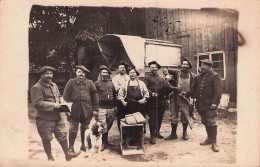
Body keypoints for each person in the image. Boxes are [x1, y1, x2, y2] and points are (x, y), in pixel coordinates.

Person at [31, 66, 81, 161]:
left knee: (62, 135)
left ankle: (68, 154)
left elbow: (59, 96)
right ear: (41, 75)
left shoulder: (54, 85)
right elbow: (37, 103)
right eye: (47, 74)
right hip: (44, 119)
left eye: (51, 74)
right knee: (47, 138)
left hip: (57, 116)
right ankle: (50, 157)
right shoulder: (36, 87)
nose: (49, 76)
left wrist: (62, 102)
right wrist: (54, 105)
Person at [186, 59, 222, 152]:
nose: (201, 67)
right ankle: (209, 139)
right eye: (201, 65)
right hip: (200, 105)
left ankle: (214, 142)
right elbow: (193, 90)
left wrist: (215, 103)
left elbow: (218, 92)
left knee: (212, 122)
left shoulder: (215, 76)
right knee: (205, 122)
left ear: (209, 67)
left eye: (204, 66)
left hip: (210, 105)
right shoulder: (198, 77)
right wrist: (186, 94)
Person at [63, 65, 99, 153]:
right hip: (74, 111)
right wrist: (67, 110)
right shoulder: (71, 82)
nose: (81, 74)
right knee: (73, 129)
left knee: (85, 129)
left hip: (86, 111)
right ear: (76, 73)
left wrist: (95, 109)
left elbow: (95, 97)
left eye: (83, 72)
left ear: (85, 74)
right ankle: (71, 147)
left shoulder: (90, 83)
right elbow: (65, 97)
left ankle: (84, 145)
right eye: (79, 72)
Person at [164, 57, 196, 141]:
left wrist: (189, 95)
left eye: (186, 64)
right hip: (175, 96)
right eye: (183, 64)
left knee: (185, 115)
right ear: (181, 65)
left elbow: (193, 88)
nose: (185, 65)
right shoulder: (176, 73)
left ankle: (184, 133)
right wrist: (167, 74)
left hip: (186, 98)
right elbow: (166, 70)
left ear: (189, 66)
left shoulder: (192, 75)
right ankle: (173, 134)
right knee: (174, 115)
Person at [144, 61, 167, 144]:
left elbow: (165, 88)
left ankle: (157, 132)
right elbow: (145, 88)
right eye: (152, 67)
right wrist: (151, 93)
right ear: (150, 68)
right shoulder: (147, 78)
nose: (154, 69)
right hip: (151, 101)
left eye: (155, 67)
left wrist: (166, 96)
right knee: (153, 118)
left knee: (160, 117)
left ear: (157, 68)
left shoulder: (161, 78)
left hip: (161, 101)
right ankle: (152, 136)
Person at [94, 65, 117, 151]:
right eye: (103, 72)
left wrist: (115, 106)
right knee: (102, 125)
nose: (105, 74)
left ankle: (106, 141)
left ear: (109, 74)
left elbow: (114, 95)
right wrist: (95, 108)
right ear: (100, 73)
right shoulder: (96, 83)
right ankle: (102, 143)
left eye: (107, 72)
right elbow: (93, 96)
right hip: (101, 108)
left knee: (109, 125)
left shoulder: (111, 83)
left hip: (111, 108)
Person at [112, 61, 130, 131]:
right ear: (118, 69)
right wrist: (122, 87)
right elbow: (116, 89)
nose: (122, 69)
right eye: (121, 67)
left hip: (128, 99)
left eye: (123, 67)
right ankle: (121, 131)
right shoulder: (115, 78)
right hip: (120, 99)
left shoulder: (128, 77)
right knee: (121, 115)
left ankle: (129, 131)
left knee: (129, 114)